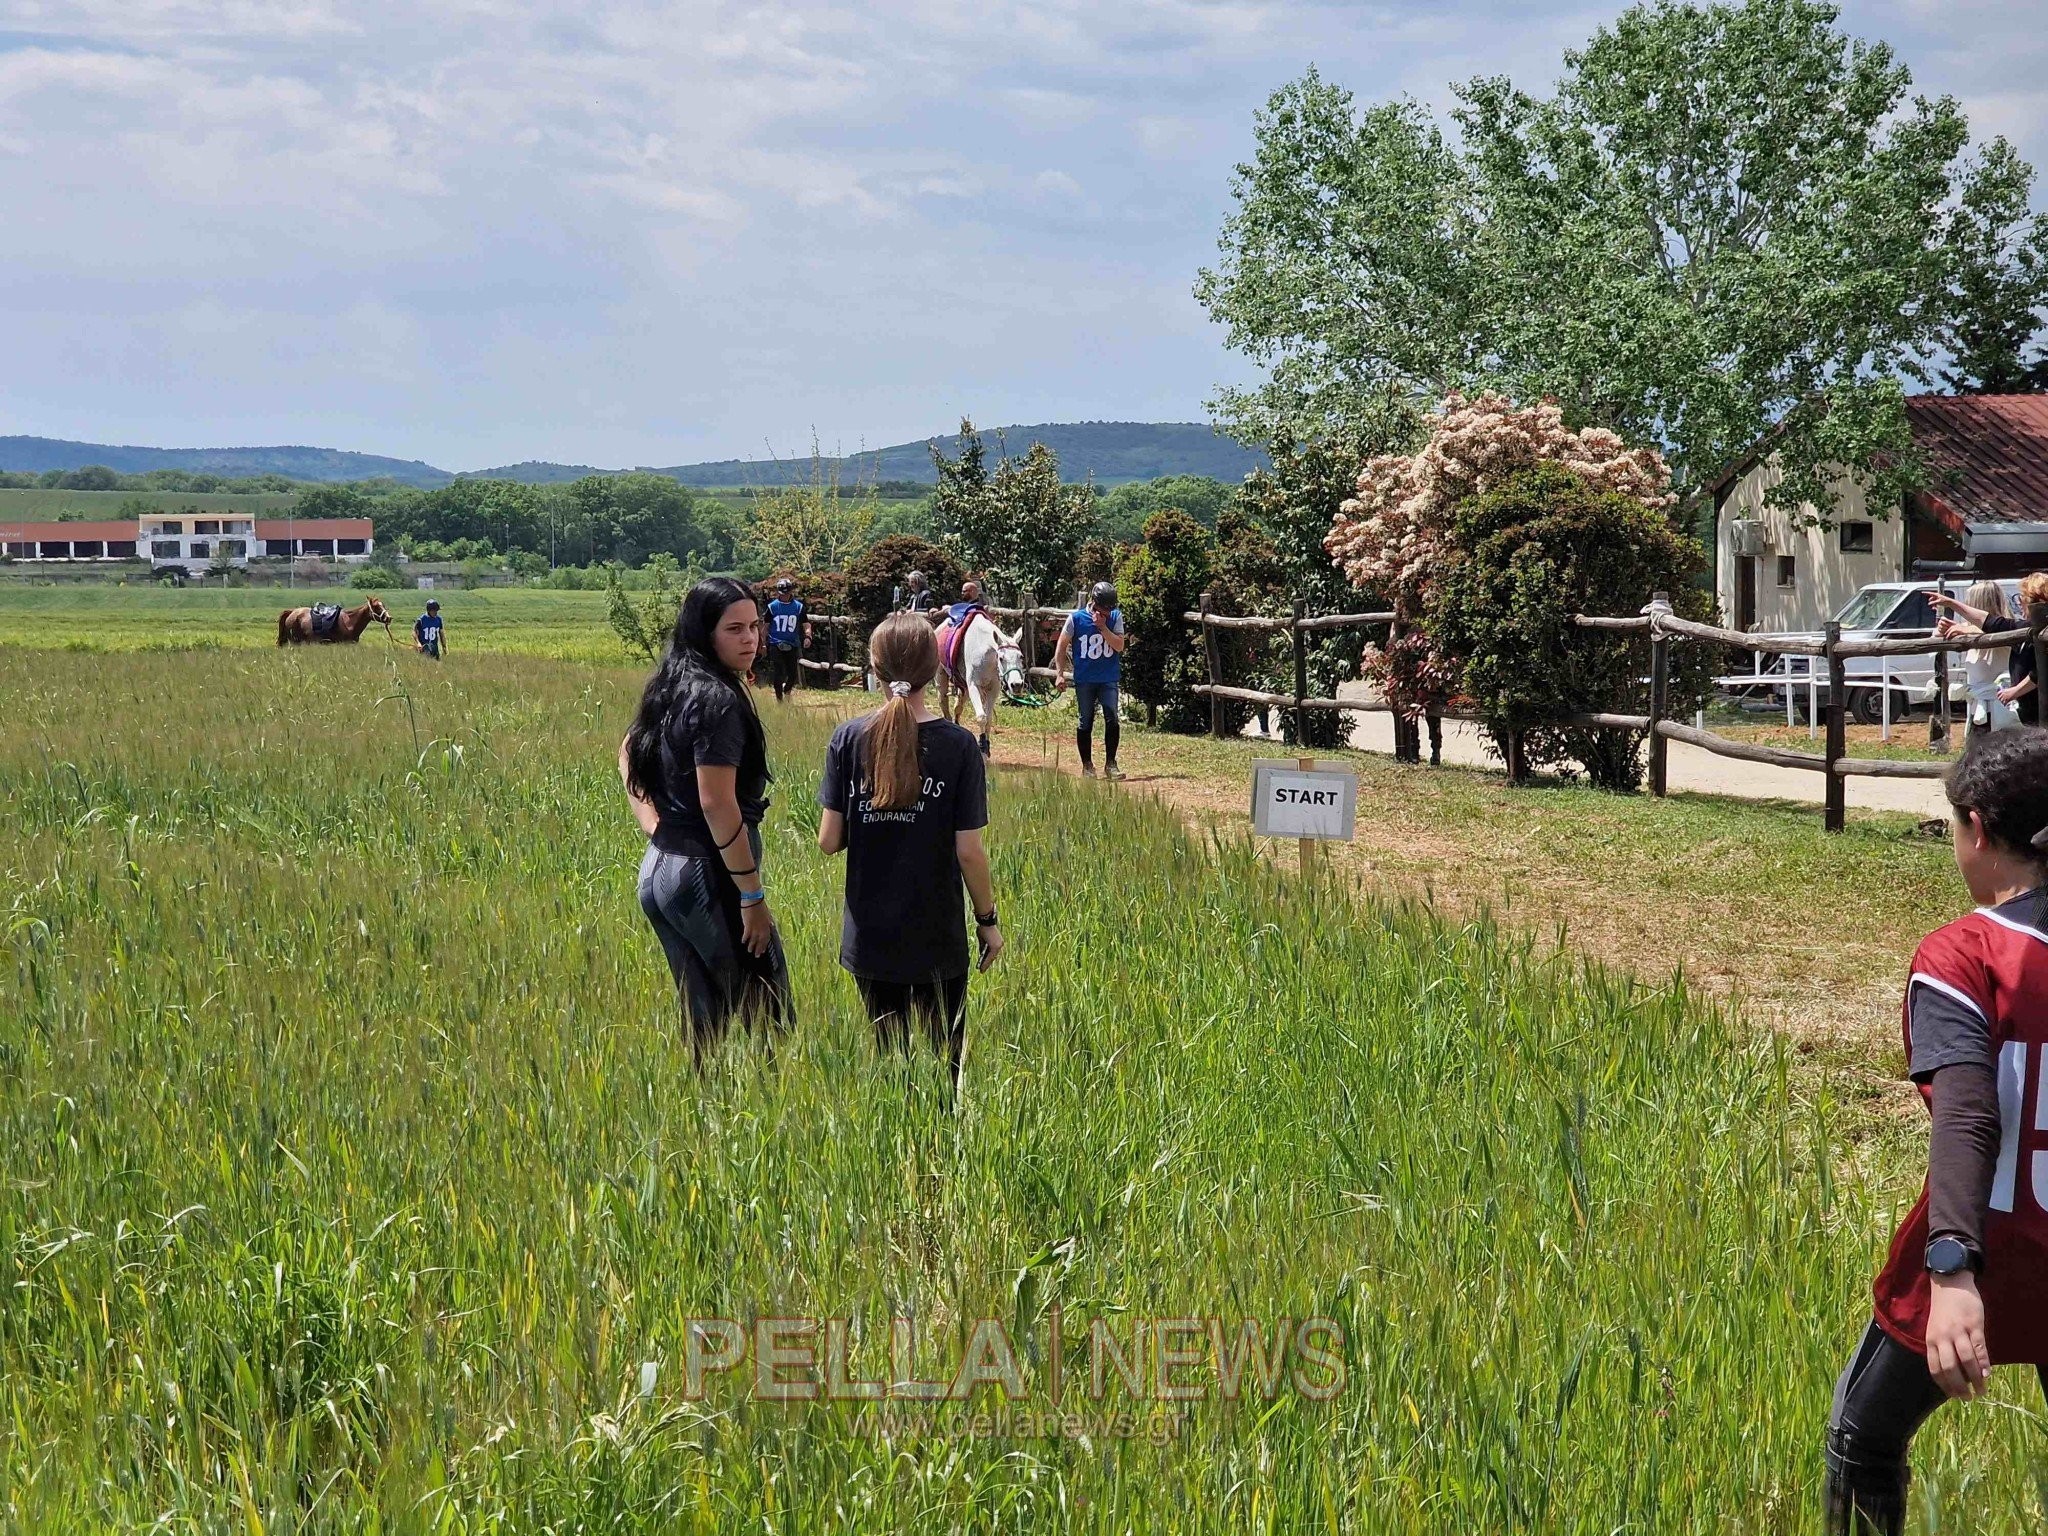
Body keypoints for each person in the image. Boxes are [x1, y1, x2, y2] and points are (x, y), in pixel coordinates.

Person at [1823, 729, 2048, 1534]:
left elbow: (1968, 1112)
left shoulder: (1964, 954)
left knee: (1863, 1440)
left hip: (1990, 1238)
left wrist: (1953, 1267)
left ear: (1978, 829)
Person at [817, 612, 1002, 1088]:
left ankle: (896, 1160)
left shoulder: (847, 738)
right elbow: (969, 853)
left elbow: (828, 841)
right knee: (945, 1072)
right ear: (935, 669)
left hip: (871, 939)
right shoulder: (959, 747)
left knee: (890, 1069)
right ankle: (939, 1157)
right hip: (937, 938)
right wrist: (987, 922)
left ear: (875, 671)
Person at [619, 576, 790, 1068]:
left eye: (755, 626)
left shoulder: (672, 682)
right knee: (766, 1013)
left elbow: (628, 750)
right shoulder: (716, 700)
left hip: (660, 871)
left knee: (704, 1017)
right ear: (704, 632)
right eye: (734, 629)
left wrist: (657, 828)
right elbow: (717, 802)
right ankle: (766, 1122)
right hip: (704, 874)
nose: (751, 639)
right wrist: (752, 897)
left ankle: (705, 1119)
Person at [1929, 573, 2048, 728]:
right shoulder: (2025, 627)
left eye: (2023, 598)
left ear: (2036, 601)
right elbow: (1992, 623)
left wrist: (2015, 691)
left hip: (2021, 711)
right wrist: (1951, 604)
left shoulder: (2041, 631)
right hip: (2028, 712)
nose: (2019, 602)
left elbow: (2041, 671)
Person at [1053, 580, 1127, 780]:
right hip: (1085, 679)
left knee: (1112, 719)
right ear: (1094, 602)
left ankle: (1111, 764)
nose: (1107, 611)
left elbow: (1119, 646)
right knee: (1085, 721)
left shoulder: (1115, 618)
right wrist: (1060, 674)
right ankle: (1087, 766)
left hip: (1108, 679)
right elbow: (1061, 647)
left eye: (1110, 608)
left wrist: (1103, 628)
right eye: (1104, 608)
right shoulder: (1076, 619)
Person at [763, 577, 810, 703]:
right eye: (783, 593)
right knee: (778, 671)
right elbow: (766, 626)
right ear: (778, 592)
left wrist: (808, 636)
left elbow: (806, 624)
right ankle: (779, 700)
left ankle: (787, 690)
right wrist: (763, 643)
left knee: (792, 673)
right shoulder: (772, 607)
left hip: (792, 643)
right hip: (775, 642)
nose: (785, 595)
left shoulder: (798, 607)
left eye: (787, 592)